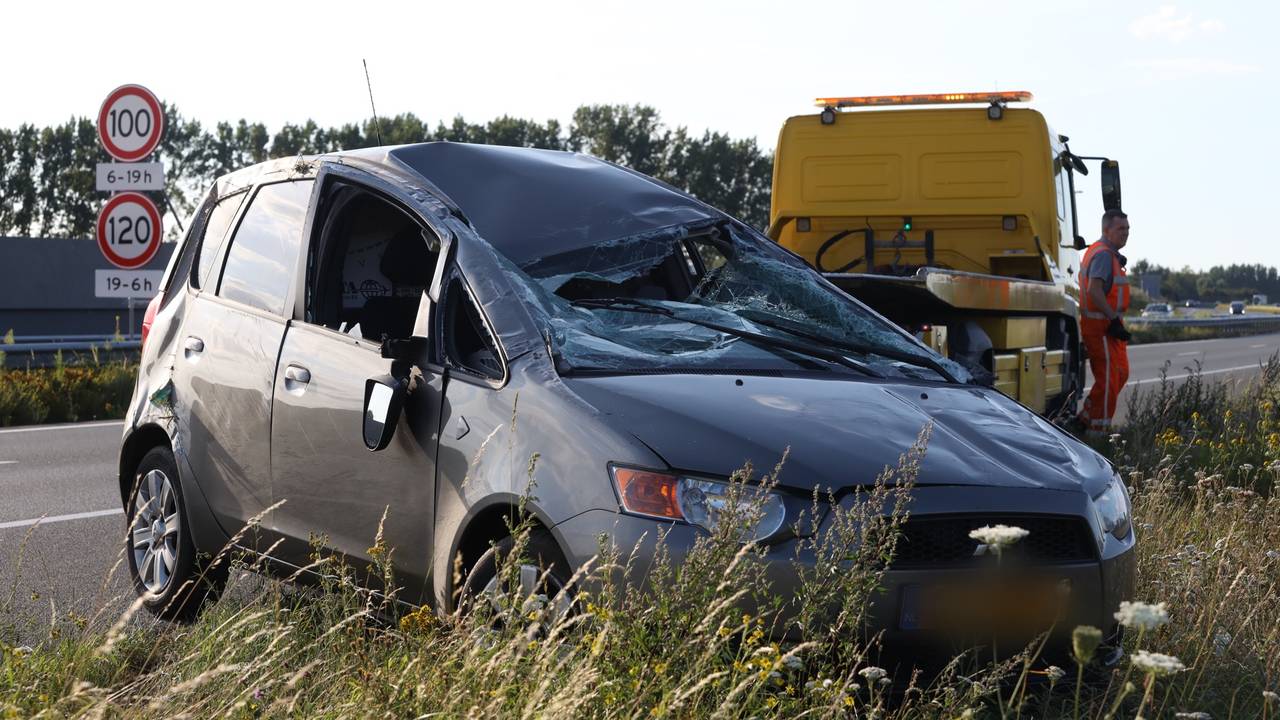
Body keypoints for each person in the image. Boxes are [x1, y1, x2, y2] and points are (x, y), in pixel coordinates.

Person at [1078, 209, 1131, 434]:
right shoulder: (1101, 255)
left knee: (1121, 374)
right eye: (1121, 229)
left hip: (1109, 327)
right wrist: (1112, 318)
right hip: (1101, 328)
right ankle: (1097, 433)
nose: (1126, 233)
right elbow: (1094, 291)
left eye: (1128, 229)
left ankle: (1085, 418)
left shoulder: (1108, 254)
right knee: (1109, 380)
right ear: (1106, 230)